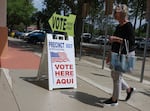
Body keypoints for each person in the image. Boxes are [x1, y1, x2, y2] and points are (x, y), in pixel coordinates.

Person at [103, 4, 136, 106]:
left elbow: (131, 42)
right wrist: (109, 55)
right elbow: (114, 43)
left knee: (117, 76)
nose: (115, 14)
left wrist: (115, 39)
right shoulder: (118, 26)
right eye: (115, 12)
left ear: (122, 13)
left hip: (125, 55)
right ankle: (128, 89)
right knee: (115, 75)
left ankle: (114, 100)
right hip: (117, 54)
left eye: (116, 12)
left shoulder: (128, 25)